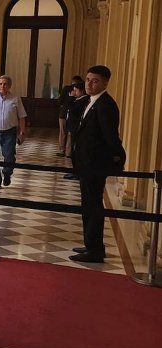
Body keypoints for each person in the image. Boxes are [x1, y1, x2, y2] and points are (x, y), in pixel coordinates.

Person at [69, 65, 125, 263]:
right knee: (88, 205)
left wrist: (117, 159)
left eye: (95, 81)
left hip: (94, 164)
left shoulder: (106, 105)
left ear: (105, 82)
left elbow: (110, 137)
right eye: (88, 80)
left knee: (93, 206)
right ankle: (90, 244)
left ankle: (94, 251)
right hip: (86, 163)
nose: (90, 84)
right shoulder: (91, 101)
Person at [62, 82, 88, 180]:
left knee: (75, 150)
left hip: (76, 128)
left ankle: (77, 172)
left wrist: (71, 98)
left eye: (76, 90)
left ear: (82, 91)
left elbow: (73, 110)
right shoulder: (79, 99)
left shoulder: (83, 100)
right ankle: (74, 171)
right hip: (73, 127)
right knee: (74, 150)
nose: (74, 92)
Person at [58, 75, 84, 157]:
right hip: (65, 113)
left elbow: (61, 101)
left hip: (69, 114)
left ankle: (65, 151)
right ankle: (66, 152)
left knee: (66, 133)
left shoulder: (71, 90)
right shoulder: (67, 89)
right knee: (67, 133)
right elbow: (61, 100)